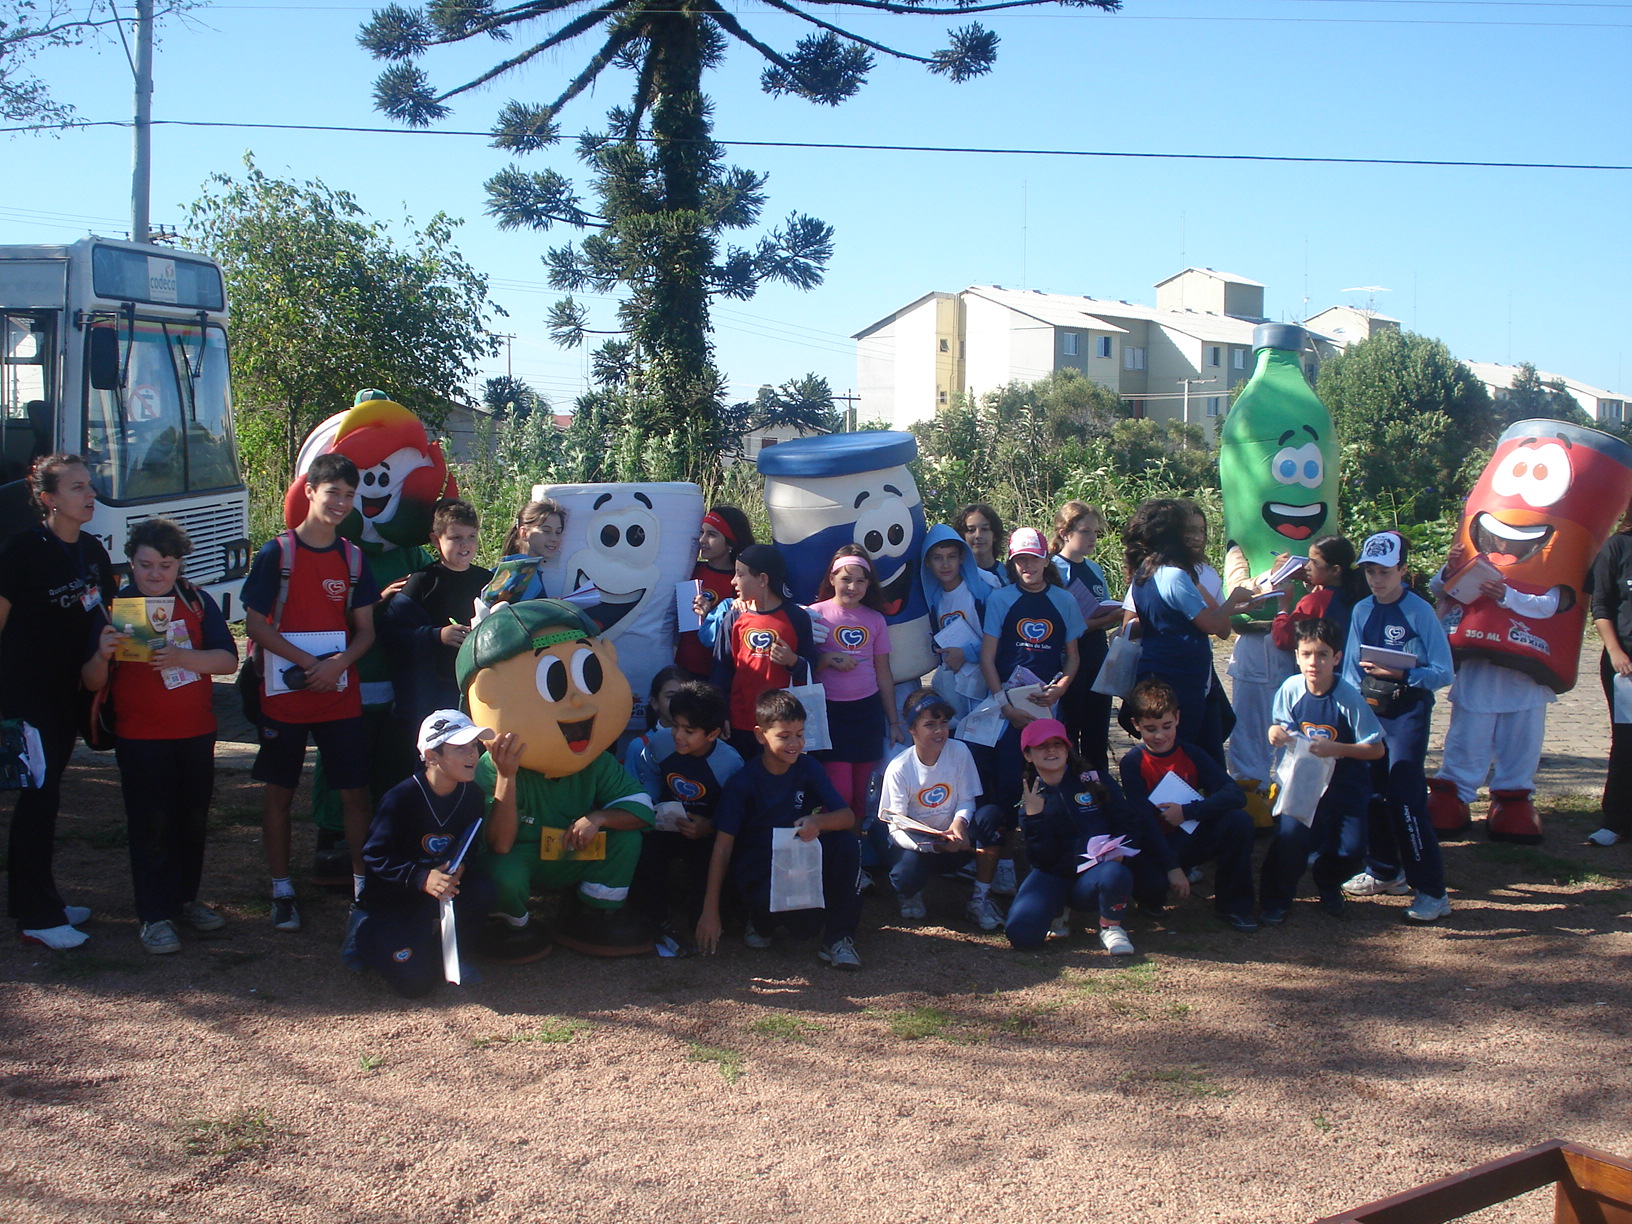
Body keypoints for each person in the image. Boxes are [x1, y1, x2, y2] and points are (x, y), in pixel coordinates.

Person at [82, 518, 239, 954]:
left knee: (191, 822)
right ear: (131, 563)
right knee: (151, 825)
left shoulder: (196, 601)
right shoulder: (113, 608)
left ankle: (185, 900)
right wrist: (102, 655)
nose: (155, 574)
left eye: (165, 565)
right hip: (140, 737)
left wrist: (181, 657)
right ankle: (154, 916)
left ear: (179, 565)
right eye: (146, 564)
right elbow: (91, 682)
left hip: (195, 733)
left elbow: (228, 661)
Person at [242, 452, 382, 933]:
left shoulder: (353, 558)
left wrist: (338, 664)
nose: (341, 503)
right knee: (280, 794)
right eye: (332, 492)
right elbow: (255, 625)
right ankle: (282, 890)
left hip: (338, 695)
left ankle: (363, 889)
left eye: (349, 495)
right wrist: (309, 665)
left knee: (355, 794)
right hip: (284, 697)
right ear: (309, 492)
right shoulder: (276, 554)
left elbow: (366, 630)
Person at [0, 454, 116, 949]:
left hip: (71, 696)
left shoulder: (92, 550)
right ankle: (37, 917)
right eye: (76, 488)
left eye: (89, 485)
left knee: (46, 799)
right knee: (38, 800)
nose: (90, 495)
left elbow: (103, 616)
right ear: (48, 498)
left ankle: (41, 900)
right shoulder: (22, 551)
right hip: (27, 696)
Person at [354, 711, 522, 998]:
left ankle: (444, 955)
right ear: (431, 756)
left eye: (473, 746)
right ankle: (364, 932)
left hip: (440, 893)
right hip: (396, 898)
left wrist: (461, 865)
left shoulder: (471, 795)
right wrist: (421, 877)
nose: (472, 754)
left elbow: (470, 845)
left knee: (482, 889)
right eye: (460, 748)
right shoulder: (400, 798)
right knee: (415, 985)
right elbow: (374, 854)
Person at [695, 688, 862, 969]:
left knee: (846, 844)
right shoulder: (744, 782)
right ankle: (760, 921)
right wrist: (710, 912)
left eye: (800, 734)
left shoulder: (808, 767)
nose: (794, 743)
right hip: (762, 868)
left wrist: (818, 822)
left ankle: (839, 939)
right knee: (796, 923)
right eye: (784, 736)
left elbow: (847, 816)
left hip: (801, 860)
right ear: (761, 735)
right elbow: (723, 848)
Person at [1340, 531, 1455, 922]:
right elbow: (1350, 671)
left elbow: (1443, 671)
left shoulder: (1419, 611)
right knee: (1373, 793)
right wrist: (1351, 714)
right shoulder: (1361, 610)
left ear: (1403, 569)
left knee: (1405, 796)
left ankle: (1432, 891)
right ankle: (1385, 871)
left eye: (1385, 571)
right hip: (1371, 712)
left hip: (1408, 713)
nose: (1377, 579)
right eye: (1370, 571)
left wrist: (1401, 675)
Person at [980, 526, 1086, 893]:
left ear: (1045, 559)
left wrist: (1062, 687)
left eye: (1034, 559)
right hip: (1010, 709)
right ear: (1012, 562)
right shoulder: (1001, 599)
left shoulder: (1063, 600)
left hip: (1048, 708)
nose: (1027, 566)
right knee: (1010, 783)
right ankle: (1005, 860)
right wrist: (1004, 704)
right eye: (1020, 560)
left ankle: (1054, 858)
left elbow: (1073, 656)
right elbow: (988, 658)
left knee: (1052, 778)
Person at [1259, 617, 1385, 923]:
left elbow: (1376, 749)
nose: (1313, 662)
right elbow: (1279, 726)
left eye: (1322, 655)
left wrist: (1337, 749)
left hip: (1346, 785)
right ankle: (1276, 901)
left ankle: (1327, 880)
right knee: (1289, 839)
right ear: (1297, 656)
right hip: (1304, 782)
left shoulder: (1348, 698)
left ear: (1337, 658)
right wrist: (1274, 733)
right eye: (1306, 654)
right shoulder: (1291, 688)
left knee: (1352, 851)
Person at [1004, 719, 1158, 954]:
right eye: (1042, 746)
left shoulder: (1093, 780)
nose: (1051, 750)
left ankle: (1110, 927)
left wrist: (1119, 851)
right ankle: (1058, 910)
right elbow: (1041, 859)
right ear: (1028, 754)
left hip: (1097, 871)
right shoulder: (1030, 797)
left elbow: (1128, 821)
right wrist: (1035, 818)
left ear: (1067, 749)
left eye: (1057, 744)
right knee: (1021, 935)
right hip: (1054, 875)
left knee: (1116, 873)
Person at [1118, 678, 1257, 932]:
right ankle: (1151, 899)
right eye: (1150, 729)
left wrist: (1187, 812)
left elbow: (1235, 794)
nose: (1159, 735)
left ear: (1178, 719)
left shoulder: (1191, 753)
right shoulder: (1132, 763)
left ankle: (1234, 905)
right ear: (1136, 725)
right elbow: (1144, 822)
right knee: (1152, 885)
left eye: (1166, 726)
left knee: (1239, 821)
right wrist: (1172, 867)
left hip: (1188, 834)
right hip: (1154, 843)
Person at [1122, 499, 1250, 764]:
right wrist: (1234, 599)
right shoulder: (1175, 576)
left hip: (1158, 669)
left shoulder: (1145, 571)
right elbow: (1212, 624)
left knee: (1175, 749)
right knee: (1183, 751)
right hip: (1182, 675)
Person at [626, 680, 744, 957]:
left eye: (689, 731)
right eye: (675, 726)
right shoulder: (659, 743)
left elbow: (735, 816)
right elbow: (650, 776)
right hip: (667, 828)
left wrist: (709, 826)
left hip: (706, 835)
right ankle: (654, 917)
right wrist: (653, 808)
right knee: (642, 851)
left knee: (713, 909)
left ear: (713, 733)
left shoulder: (730, 764)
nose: (678, 736)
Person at [879, 688, 1004, 931]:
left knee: (991, 815)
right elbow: (895, 827)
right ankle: (910, 893)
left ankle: (980, 897)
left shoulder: (959, 751)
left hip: (955, 839)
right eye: (929, 725)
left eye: (944, 723)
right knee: (905, 874)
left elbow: (967, 800)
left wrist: (959, 824)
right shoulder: (899, 768)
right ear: (912, 729)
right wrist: (933, 845)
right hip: (921, 845)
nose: (939, 731)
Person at [378, 498, 493, 740]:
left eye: (471, 536)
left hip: (478, 687)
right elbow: (390, 635)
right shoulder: (421, 582)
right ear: (435, 539)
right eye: (455, 537)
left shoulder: (488, 581)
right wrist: (437, 635)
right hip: (433, 693)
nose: (465, 544)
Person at [810, 545, 905, 821]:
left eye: (861, 581)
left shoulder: (875, 619)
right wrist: (826, 659)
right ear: (832, 579)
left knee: (861, 798)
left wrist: (894, 722)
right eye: (846, 579)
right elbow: (800, 667)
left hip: (867, 714)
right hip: (830, 714)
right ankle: (833, 846)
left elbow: (883, 672)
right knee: (839, 794)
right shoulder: (814, 614)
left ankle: (856, 846)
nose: (853, 587)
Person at [709, 543, 819, 761]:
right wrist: (721, 714)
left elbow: (812, 667)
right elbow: (721, 670)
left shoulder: (797, 618)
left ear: (762, 579)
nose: (733, 581)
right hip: (740, 722)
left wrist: (793, 661)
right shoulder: (734, 617)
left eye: (740, 574)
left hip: (782, 726)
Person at [1049, 501, 1121, 770]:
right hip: (1068, 659)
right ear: (1065, 533)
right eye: (1085, 531)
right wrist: (1106, 619)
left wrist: (1114, 616)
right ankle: (1070, 782)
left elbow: (1102, 609)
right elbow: (1062, 626)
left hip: (1097, 655)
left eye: (1095, 532)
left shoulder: (1095, 569)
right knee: (1070, 727)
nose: (1092, 538)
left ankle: (1099, 784)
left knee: (1097, 729)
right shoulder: (1053, 569)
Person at [1589, 503, 1632, 847]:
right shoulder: (1616, 547)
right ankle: (1615, 820)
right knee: (1627, 741)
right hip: (1625, 665)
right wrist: (1616, 652)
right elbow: (1601, 606)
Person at [918, 523, 991, 721]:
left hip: (987, 683)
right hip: (956, 687)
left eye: (951, 556)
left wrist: (966, 653)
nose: (945, 564)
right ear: (927, 562)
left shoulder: (982, 592)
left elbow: (1001, 638)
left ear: (961, 558)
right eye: (937, 558)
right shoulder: (935, 600)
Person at [677, 506, 754, 679]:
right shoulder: (690, 570)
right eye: (701, 532)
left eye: (712, 535)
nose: (702, 540)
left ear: (730, 543)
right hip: (683, 666)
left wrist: (710, 617)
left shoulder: (742, 581)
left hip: (719, 672)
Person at [1269, 535, 1365, 657]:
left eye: (1314, 563)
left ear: (1335, 570)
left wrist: (1283, 607)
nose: (1307, 567)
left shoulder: (1315, 601)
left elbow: (1284, 639)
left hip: (1324, 666)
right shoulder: (1360, 594)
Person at [486, 497, 567, 604]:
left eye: (558, 532)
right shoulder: (524, 571)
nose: (554, 538)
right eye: (546, 531)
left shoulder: (514, 566)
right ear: (524, 533)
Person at [953, 503, 1007, 589]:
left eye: (985, 529)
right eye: (971, 530)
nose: (978, 535)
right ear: (962, 536)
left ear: (995, 535)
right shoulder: (955, 576)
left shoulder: (1009, 576)